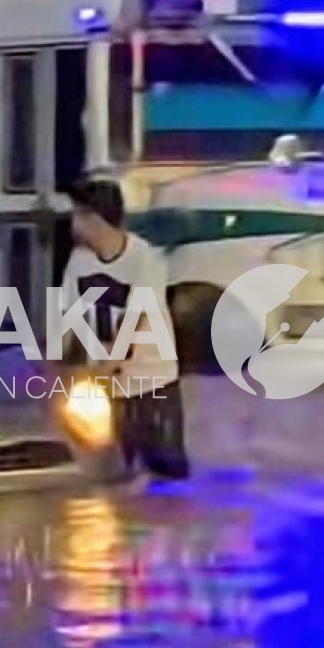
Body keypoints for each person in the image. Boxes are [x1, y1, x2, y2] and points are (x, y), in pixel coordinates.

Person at [61, 175, 189, 479]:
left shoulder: (146, 259)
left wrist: (108, 364)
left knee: (166, 472)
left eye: (77, 215)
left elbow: (135, 316)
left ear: (94, 218)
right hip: (109, 386)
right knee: (116, 472)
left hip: (152, 382)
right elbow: (71, 314)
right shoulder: (79, 261)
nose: (72, 223)